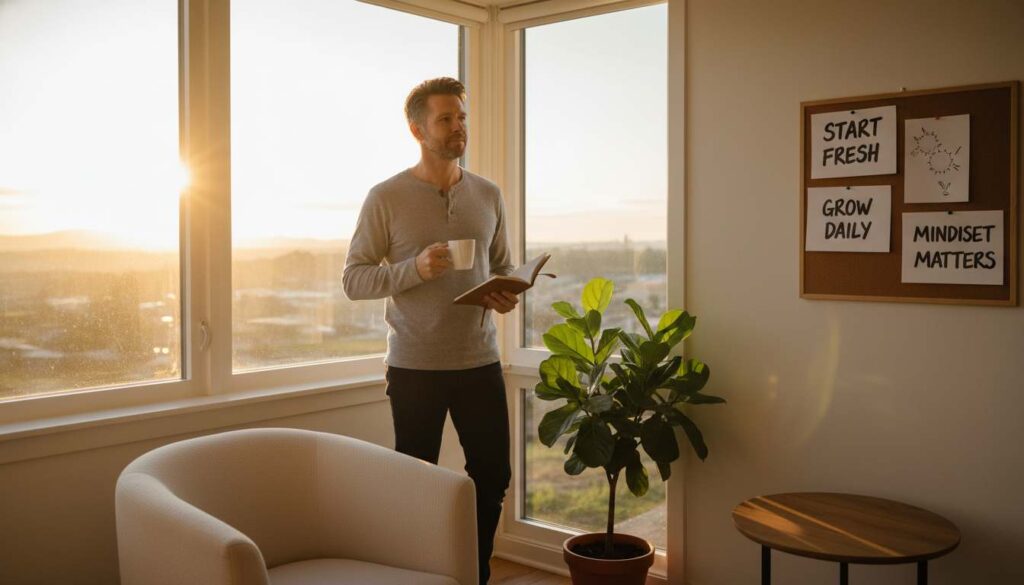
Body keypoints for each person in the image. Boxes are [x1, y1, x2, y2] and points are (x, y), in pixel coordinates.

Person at [342, 77, 518, 585]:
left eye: (462, 116)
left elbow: (499, 265)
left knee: (493, 476)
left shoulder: (488, 194)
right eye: (446, 118)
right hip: (416, 366)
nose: (459, 126)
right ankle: (421, 576)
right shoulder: (386, 197)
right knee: (415, 485)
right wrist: (413, 270)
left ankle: (473, 574)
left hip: (479, 360)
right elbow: (354, 280)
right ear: (417, 129)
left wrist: (502, 296)